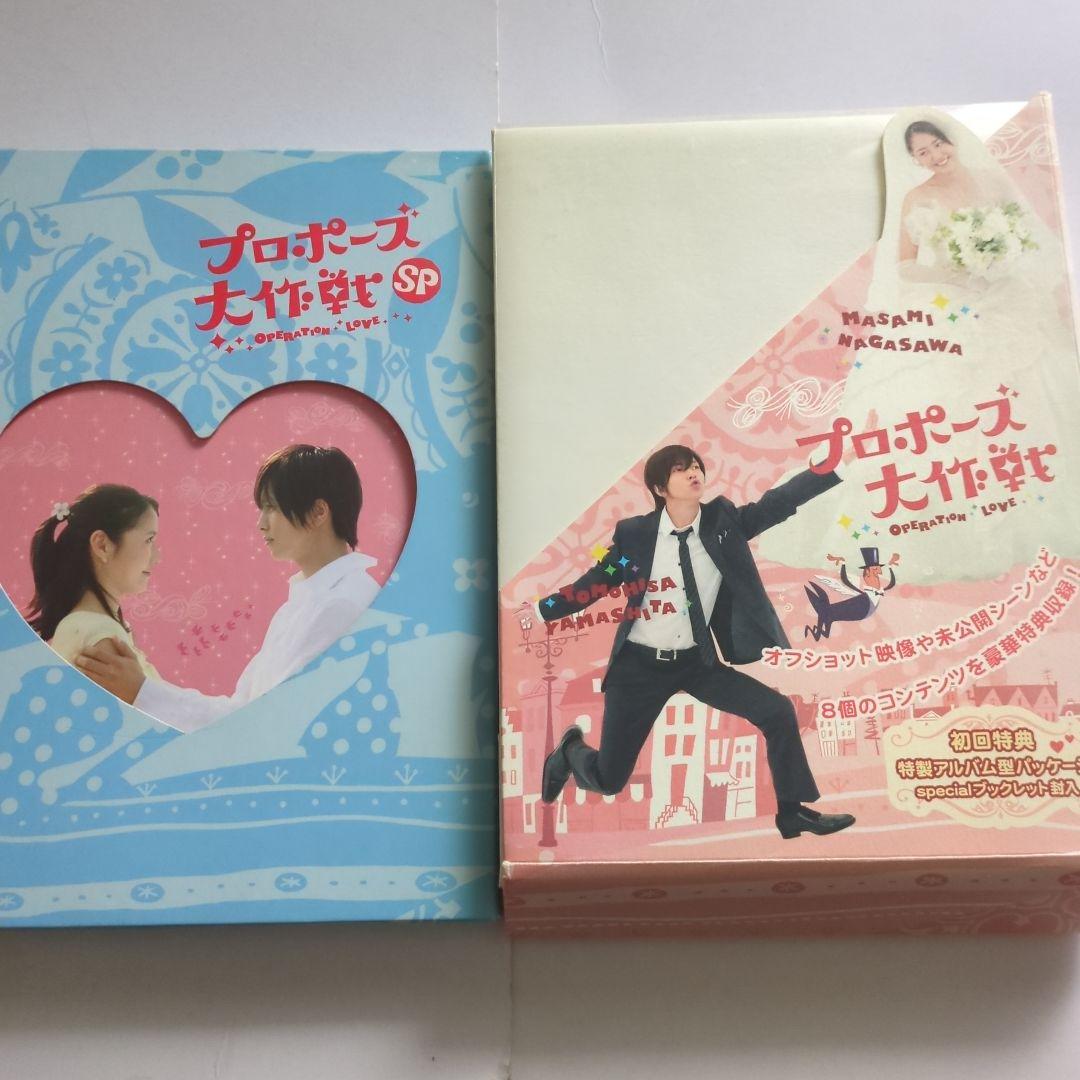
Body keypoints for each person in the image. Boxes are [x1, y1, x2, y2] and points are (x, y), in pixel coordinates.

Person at [756, 108, 1080, 582]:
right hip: (955, 301)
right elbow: (905, 266)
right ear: (914, 160)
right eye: (922, 153)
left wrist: (1003, 259)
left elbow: (1029, 238)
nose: (934, 156)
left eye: (937, 145)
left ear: (952, 140)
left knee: (1040, 379)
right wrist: (956, 272)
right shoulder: (916, 198)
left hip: (1009, 296)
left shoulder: (993, 181)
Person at [538, 444, 856, 840]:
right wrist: (540, 611)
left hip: (696, 662)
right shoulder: (635, 535)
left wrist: (828, 468)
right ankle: (570, 751)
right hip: (638, 667)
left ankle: (792, 814)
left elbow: (776, 503)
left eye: (695, 466)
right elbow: (597, 583)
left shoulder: (724, 522)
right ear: (660, 487)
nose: (694, 473)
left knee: (777, 711)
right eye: (680, 469)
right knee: (609, 779)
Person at [76, 444, 380, 733]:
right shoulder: (304, 605)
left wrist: (143, 692)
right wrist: (142, 691)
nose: (261, 524)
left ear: (318, 512)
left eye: (272, 507)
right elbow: (241, 713)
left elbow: (266, 727)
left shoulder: (343, 606)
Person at [25, 484, 162, 679]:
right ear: (102, 545)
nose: (157, 557)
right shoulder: (101, 637)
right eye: (149, 540)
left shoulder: (90, 627)